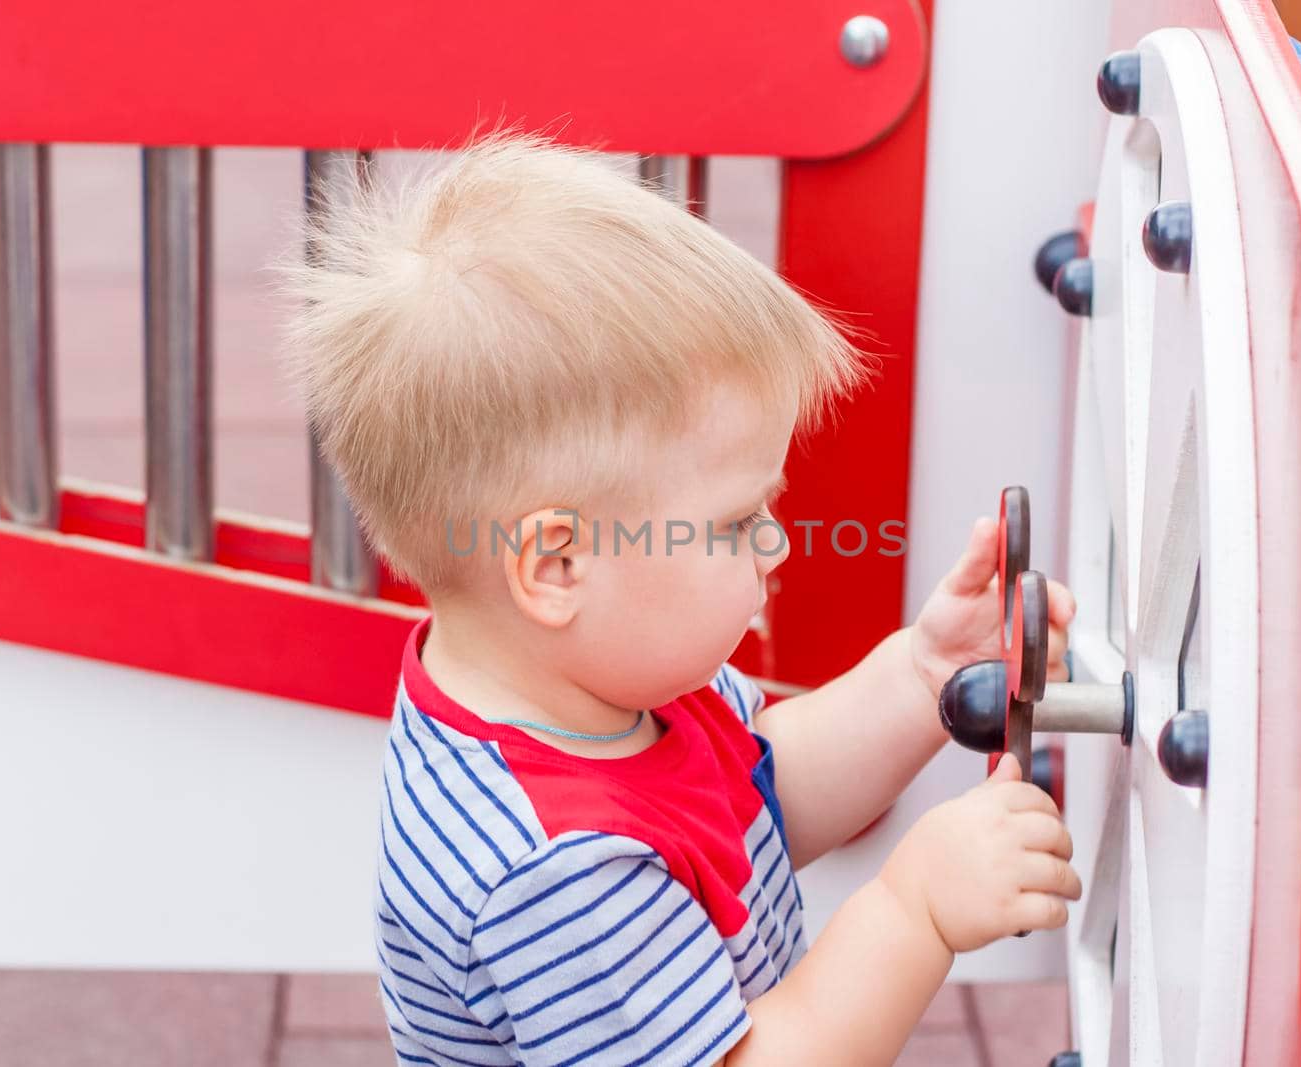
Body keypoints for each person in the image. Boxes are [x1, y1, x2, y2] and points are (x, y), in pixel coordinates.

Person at [276, 132, 1080, 1066]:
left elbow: (754, 799)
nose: (776, 541)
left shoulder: (598, 683)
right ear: (557, 568)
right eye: (739, 519)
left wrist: (922, 674)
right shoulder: (554, 869)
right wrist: (917, 907)